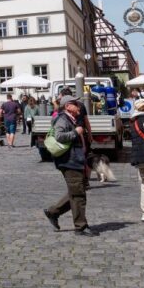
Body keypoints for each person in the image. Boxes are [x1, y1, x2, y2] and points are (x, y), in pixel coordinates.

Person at [43, 94, 98, 237]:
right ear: (67, 106)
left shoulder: (71, 119)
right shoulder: (62, 119)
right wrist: (75, 132)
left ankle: (53, 212)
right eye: (75, 103)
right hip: (70, 161)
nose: (78, 105)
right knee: (78, 194)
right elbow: (59, 136)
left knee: (77, 191)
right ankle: (81, 226)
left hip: (76, 160)